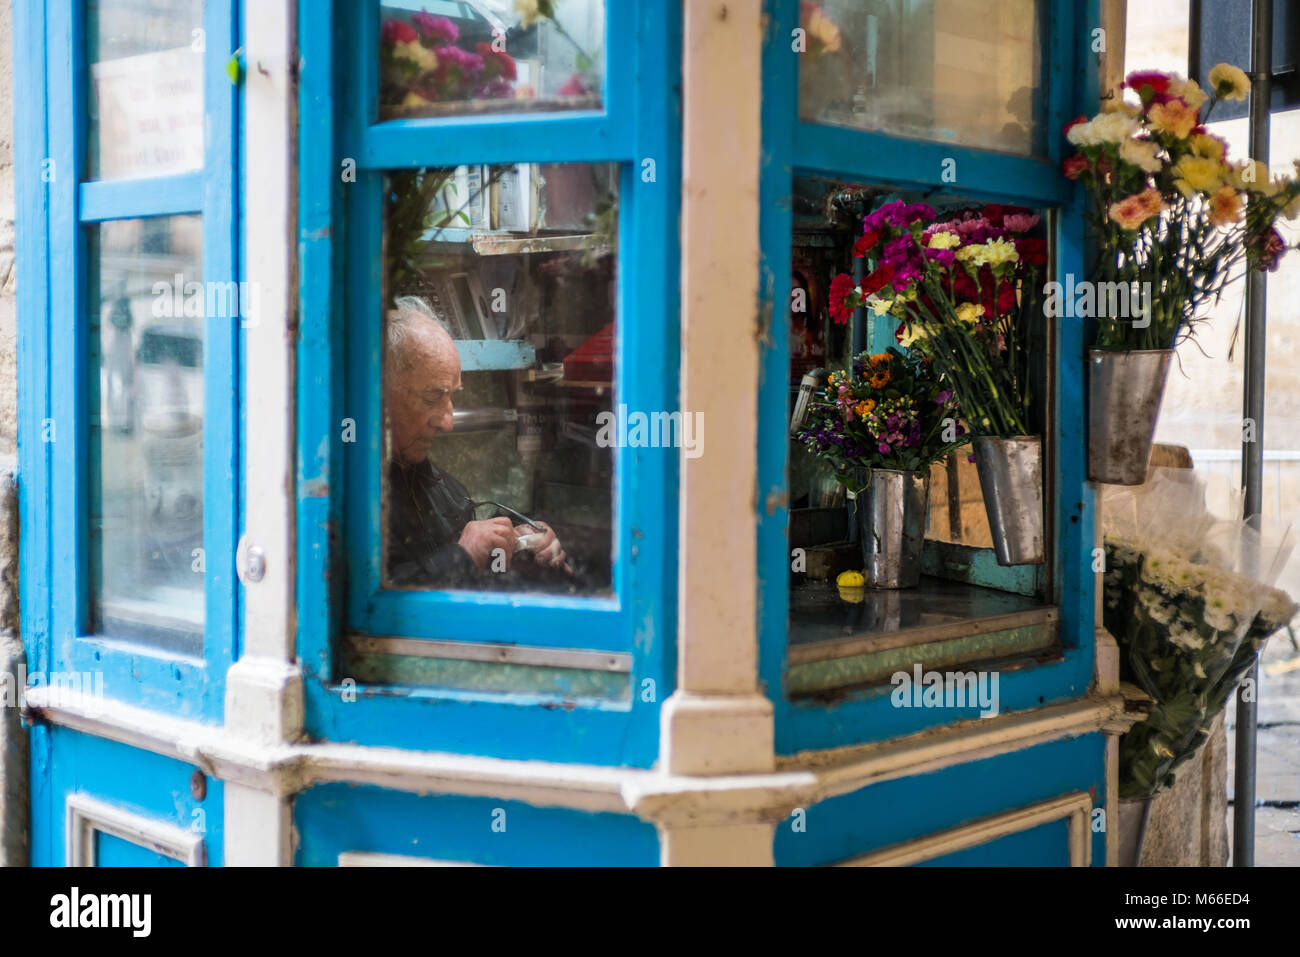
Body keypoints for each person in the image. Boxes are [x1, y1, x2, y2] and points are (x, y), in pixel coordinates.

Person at [384, 302, 568, 586]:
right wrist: (463, 554)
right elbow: (371, 605)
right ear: (382, 395)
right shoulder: (349, 500)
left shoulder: (446, 490)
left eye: (452, 396)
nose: (448, 422)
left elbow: (473, 579)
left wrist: (518, 544)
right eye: (433, 398)